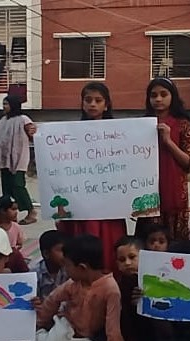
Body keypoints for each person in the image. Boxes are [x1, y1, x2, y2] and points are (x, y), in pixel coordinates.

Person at [34, 235, 131, 341]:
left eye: (67, 266)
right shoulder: (73, 284)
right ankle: (40, 337)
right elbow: (52, 300)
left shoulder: (111, 290)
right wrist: (38, 324)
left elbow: (113, 329)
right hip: (65, 326)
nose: (65, 270)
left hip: (85, 338)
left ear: (82, 268)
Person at [56, 83, 129, 271]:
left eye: (98, 100)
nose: (93, 104)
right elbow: (58, 161)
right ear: (82, 104)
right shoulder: (68, 135)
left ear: (106, 104)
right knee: (82, 247)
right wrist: (36, 135)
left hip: (110, 203)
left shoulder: (121, 134)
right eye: (88, 100)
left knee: (108, 246)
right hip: (81, 202)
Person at [137, 77, 190, 242]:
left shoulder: (182, 124)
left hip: (173, 191)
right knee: (148, 240)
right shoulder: (141, 125)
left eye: (163, 94)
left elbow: (188, 163)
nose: (158, 99)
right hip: (147, 190)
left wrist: (168, 141)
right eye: (153, 95)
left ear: (172, 96)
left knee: (173, 242)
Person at [0, 94, 38, 225]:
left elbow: (33, 133)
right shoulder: (2, 121)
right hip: (4, 159)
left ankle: (31, 211)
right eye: (3, 104)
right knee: (7, 188)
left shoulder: (23, 119)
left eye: (6, 104)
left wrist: (33, 131)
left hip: (18, 159)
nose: (4, 106)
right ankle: (10, 214)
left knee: (18, 186)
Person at [114, 236, 155, 341]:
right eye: (122, 260)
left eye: (132, 257)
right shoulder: (116, 285)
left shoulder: (153, 282)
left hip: (150, 340)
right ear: (117, 264)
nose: (127, 263)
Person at [33, 230, 69, 300]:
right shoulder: (35, 273)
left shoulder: (69, 269)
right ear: (46, 254)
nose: (66, 255)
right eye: (61, 250)